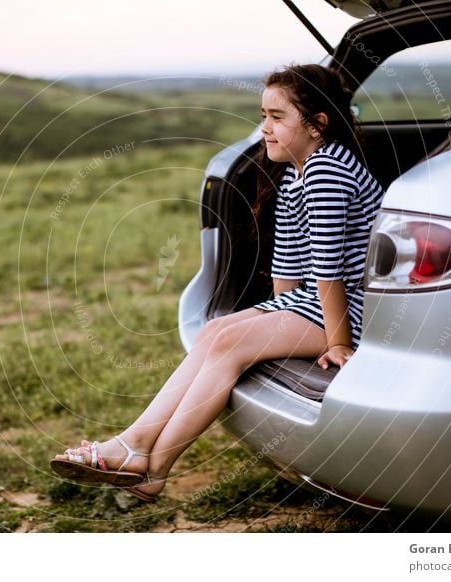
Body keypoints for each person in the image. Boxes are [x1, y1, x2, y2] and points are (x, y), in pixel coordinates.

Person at [50, 64, 385, 502]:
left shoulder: (327, 170)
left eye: (277, 117)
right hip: (317, 301)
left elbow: (329, 270)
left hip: (356, 307)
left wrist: (339, 344)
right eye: (262, 115)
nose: (264, 128)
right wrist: (275, 326)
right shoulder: (296, 171)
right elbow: (286, 265)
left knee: (230, 344)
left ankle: (140, 454)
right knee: (215, 332)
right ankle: (139, 456)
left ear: (317, 124)